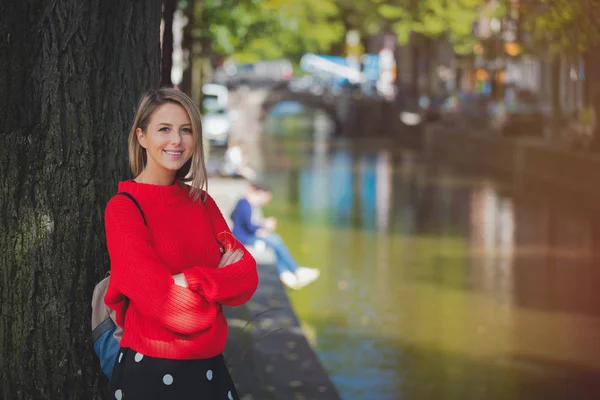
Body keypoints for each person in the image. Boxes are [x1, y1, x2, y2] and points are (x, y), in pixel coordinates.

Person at [104, 87, 258, 400]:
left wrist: (188, 280)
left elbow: (247, 277)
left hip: (211, 371)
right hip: (149, 372)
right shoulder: (124, 208)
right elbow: (169, 307)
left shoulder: (201, 202)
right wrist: (215, 295)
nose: (177, 140)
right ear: (142, 136)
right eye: (164, 129)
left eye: (186, 130)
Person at [230, 182, 319, 289]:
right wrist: (264, 225)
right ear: (260, 193)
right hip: (243, 238)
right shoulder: (245, 204)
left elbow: (234, 217)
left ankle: (286, 273)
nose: (266, 201)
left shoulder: (243, 203)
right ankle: (295, 270)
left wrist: (260, 226)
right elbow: (249, 226)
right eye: (266, 197)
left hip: (244, 235)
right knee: (275, 240)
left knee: (274, 242)